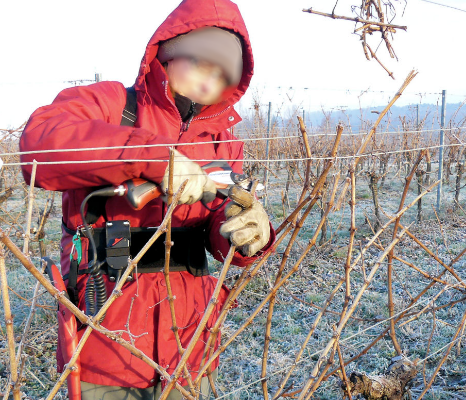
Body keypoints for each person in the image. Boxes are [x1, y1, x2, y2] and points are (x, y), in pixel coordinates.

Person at [19, 0, 275, 398]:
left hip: (192, 339)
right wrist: (153, 158)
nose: (211, 82)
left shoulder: (224, 140)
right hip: (107, 335)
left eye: (224, 75)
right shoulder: (111, 105)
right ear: (169, 51)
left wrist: (249, 235)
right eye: (203, 63)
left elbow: (218, 233)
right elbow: (39, 147)